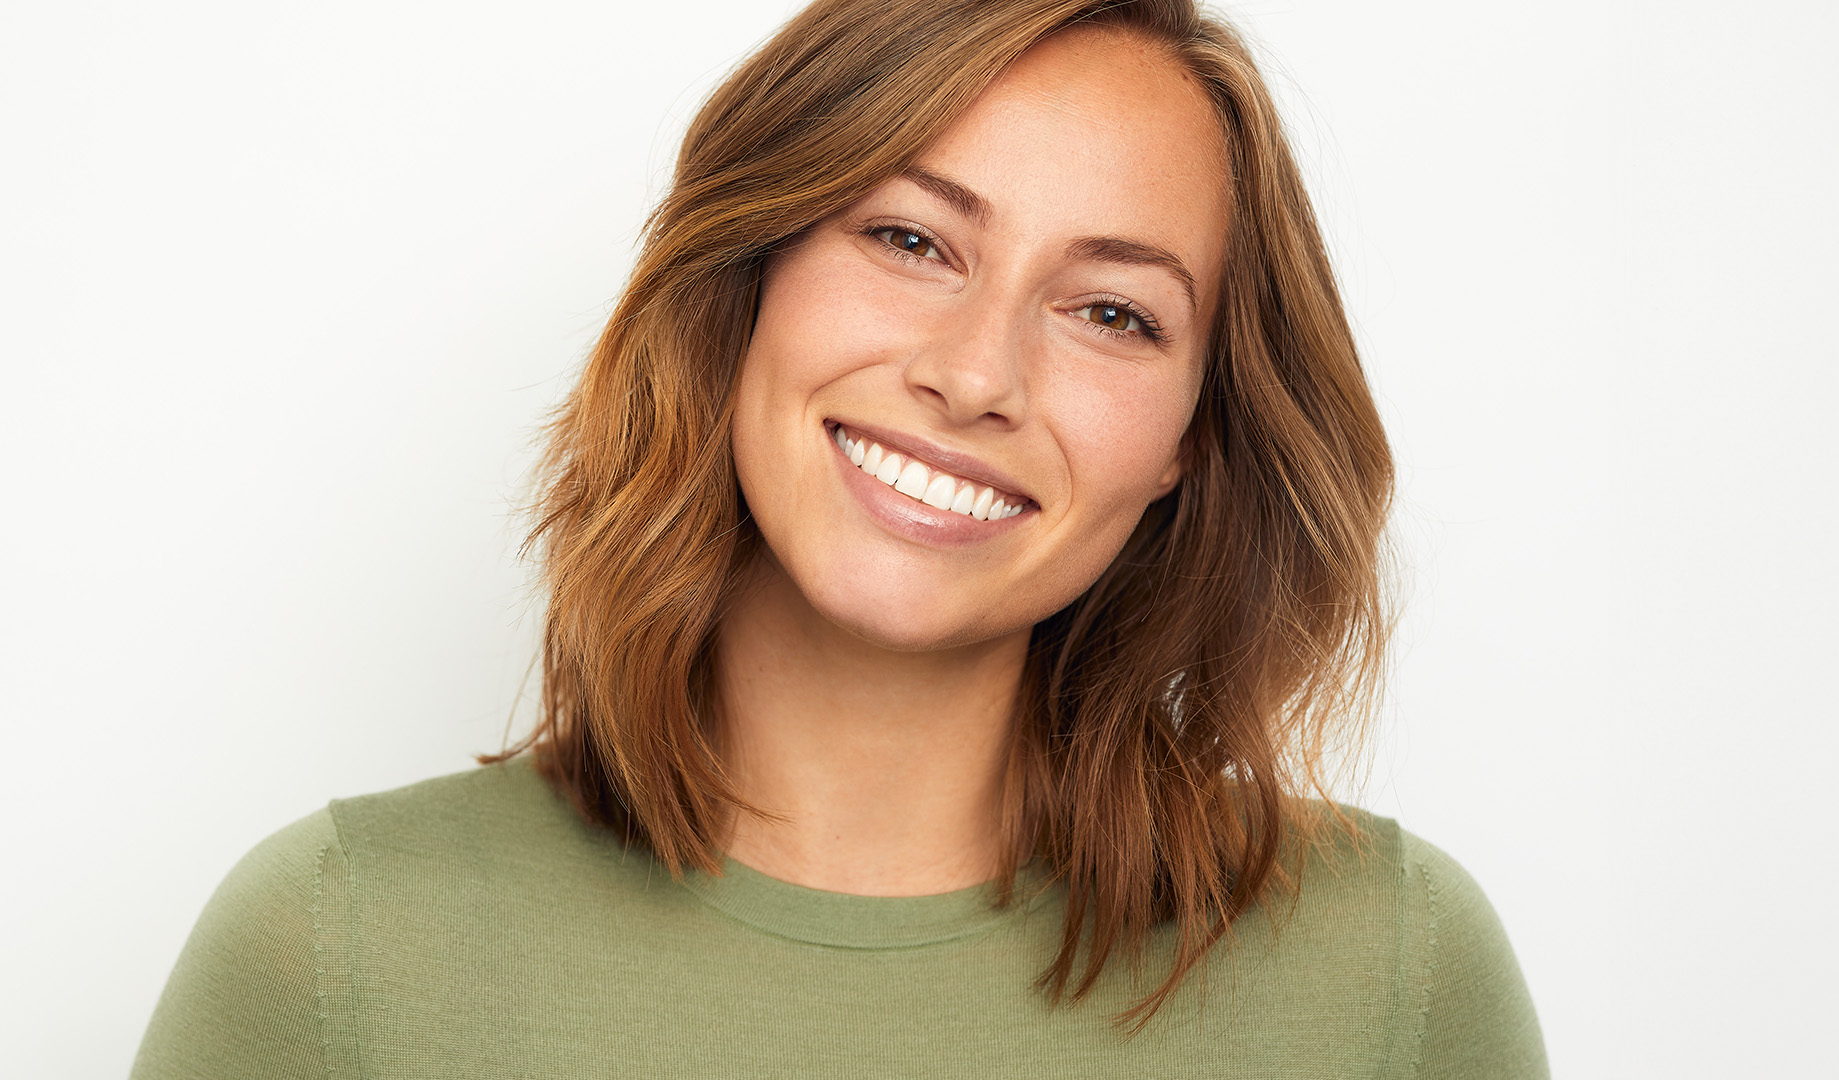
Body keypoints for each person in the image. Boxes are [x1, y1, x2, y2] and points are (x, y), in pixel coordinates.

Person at [133, 0, 1547, 1075]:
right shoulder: (342, 956)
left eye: (1111, 312)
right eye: (909, 240)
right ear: (748, 276)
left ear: (1192, 439)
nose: (976, 374)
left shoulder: (1390, 981)